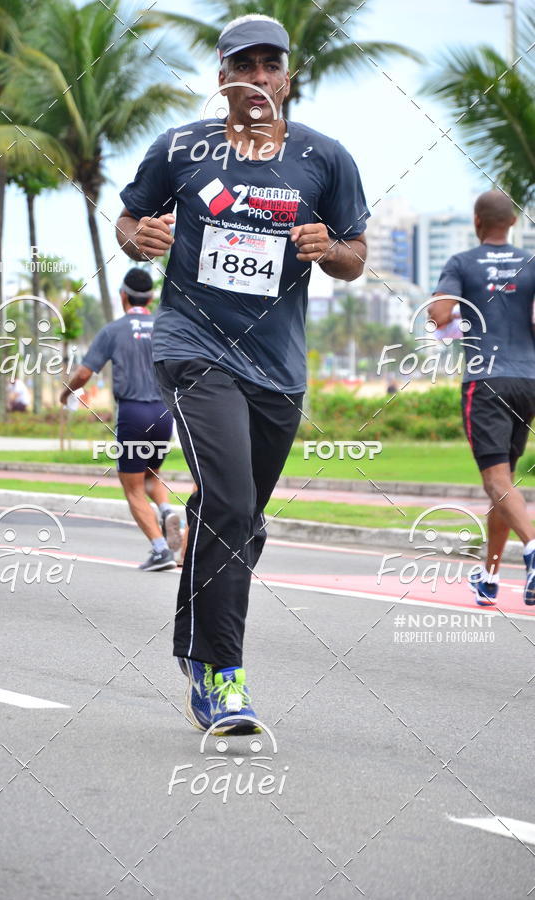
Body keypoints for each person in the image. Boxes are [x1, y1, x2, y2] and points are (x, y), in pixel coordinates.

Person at [116, 13, 369, 733]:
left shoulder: (324, 158)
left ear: (286, 76)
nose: (257, 77)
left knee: (239, 517)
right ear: (222, 77)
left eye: (270, 65)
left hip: (278, 369)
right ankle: (222, 674)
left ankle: (198, 641)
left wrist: (331, 247)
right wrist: (145, 233)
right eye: (243, 65)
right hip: (193, 346)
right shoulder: (181, 149)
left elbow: (357, 255)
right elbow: (129, 220)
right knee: (227, 499)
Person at [429, 190, 535, 608]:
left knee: (495, 480)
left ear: (477, 222)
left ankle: (532, 548)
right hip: (528, 380)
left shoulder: (462, 263)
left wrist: (453, 324)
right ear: (511, 223)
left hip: (485, 380)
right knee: (503, 481)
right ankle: (489, 577)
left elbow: (440, 315)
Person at [59, 267, 182, 571]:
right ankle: (166, 509)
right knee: (152, 474)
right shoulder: (164, 327)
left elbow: (86, 373)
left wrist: (66, 393)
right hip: (164, 414)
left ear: (123, 296)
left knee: (133, 488)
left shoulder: (113, 330)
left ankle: (160, 550)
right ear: (151, 297)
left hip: (133, 414)